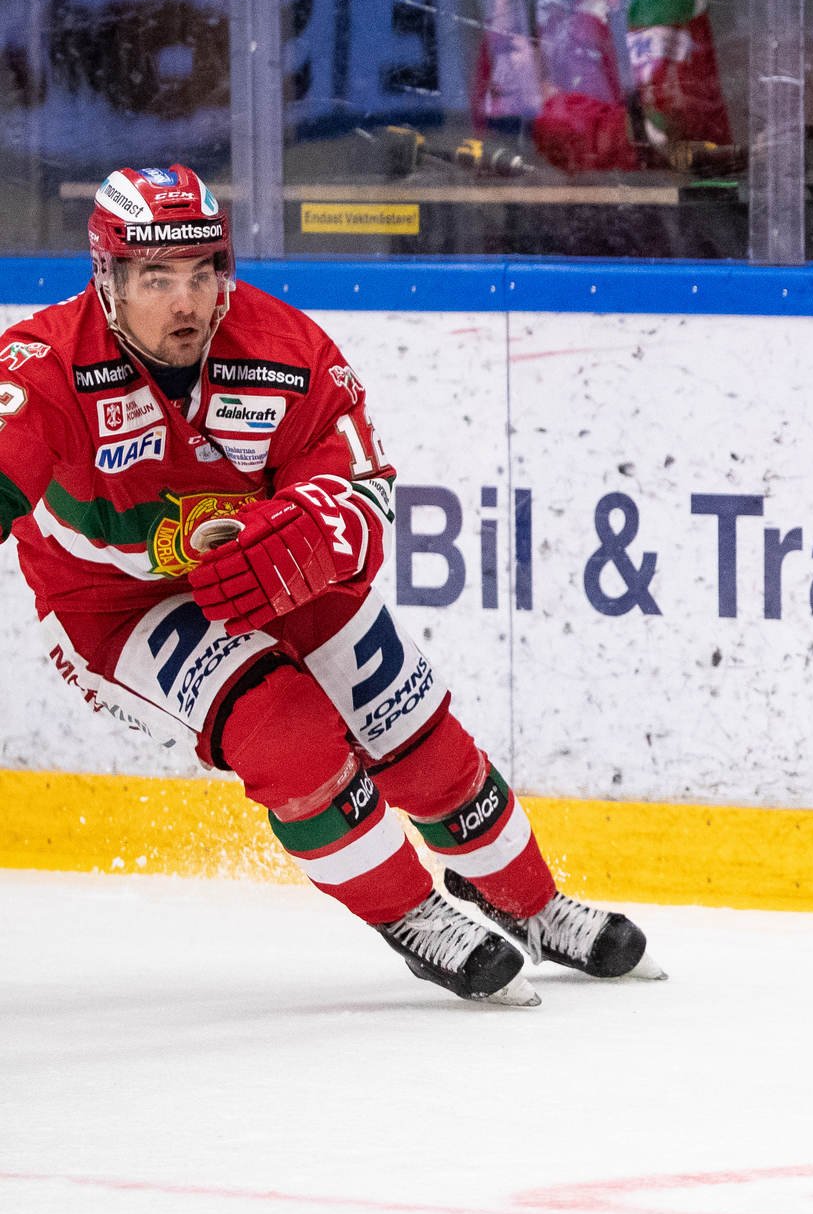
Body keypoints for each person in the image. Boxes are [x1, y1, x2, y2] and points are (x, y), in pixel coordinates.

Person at [0, 164, 663, 1004]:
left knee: (406, 717)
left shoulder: (283, 350)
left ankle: (530, 902)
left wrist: (313, 531)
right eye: (157, 279)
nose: (187, 304)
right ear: (107, 280)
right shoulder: (44, 365)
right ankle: (414, 914)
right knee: (287, 735)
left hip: (269, 574)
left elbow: (363, 489)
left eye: (203, 274)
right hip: (112, 605)